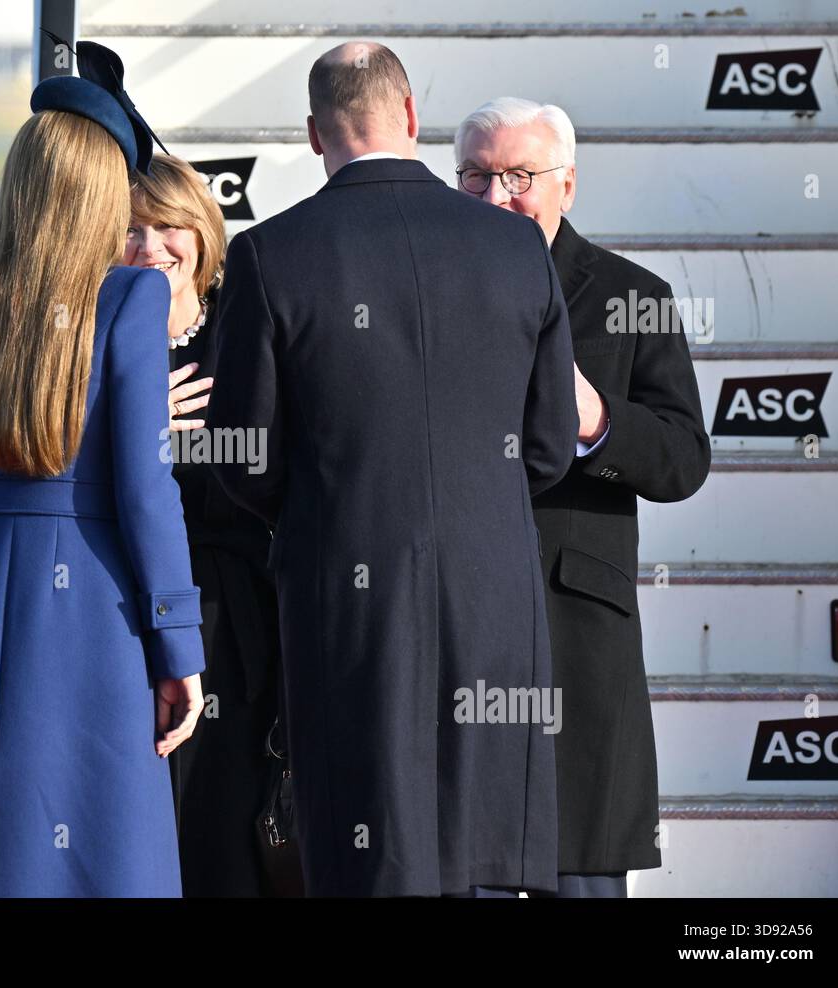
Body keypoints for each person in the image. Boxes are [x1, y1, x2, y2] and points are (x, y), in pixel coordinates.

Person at [206, 41, 578, 897]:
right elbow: (551, 443)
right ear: (411, 117)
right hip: (492, 592)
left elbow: (244, 454)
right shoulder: (519, 248)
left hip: (348, 594)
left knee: (368, 846)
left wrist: (332, 514)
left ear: (313, 133)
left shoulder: (270, 254)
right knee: (485, 851)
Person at [0, 69, 205, 897]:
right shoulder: (132, 297)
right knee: (105, 847)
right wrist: (178, 643)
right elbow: (146, 488)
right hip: (98, 609)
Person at [454, 97, 710, 898]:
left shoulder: (634, 295)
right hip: (456, 622)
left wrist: (597, 420)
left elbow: (681, 460)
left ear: (568, 184)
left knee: (582, 873)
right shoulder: (425, 290)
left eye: (520, 176)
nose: (498, 197)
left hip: (578, 631)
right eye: (477, 177)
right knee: (462, 864)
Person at [125, 154, 291, 896]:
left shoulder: (245, 331)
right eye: (131, 229)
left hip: (234, 623)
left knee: (221, 833)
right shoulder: (84, 341)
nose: (151, 246)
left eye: (168, 227)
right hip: (120, 617)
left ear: (204, 232)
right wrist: (130, 424)